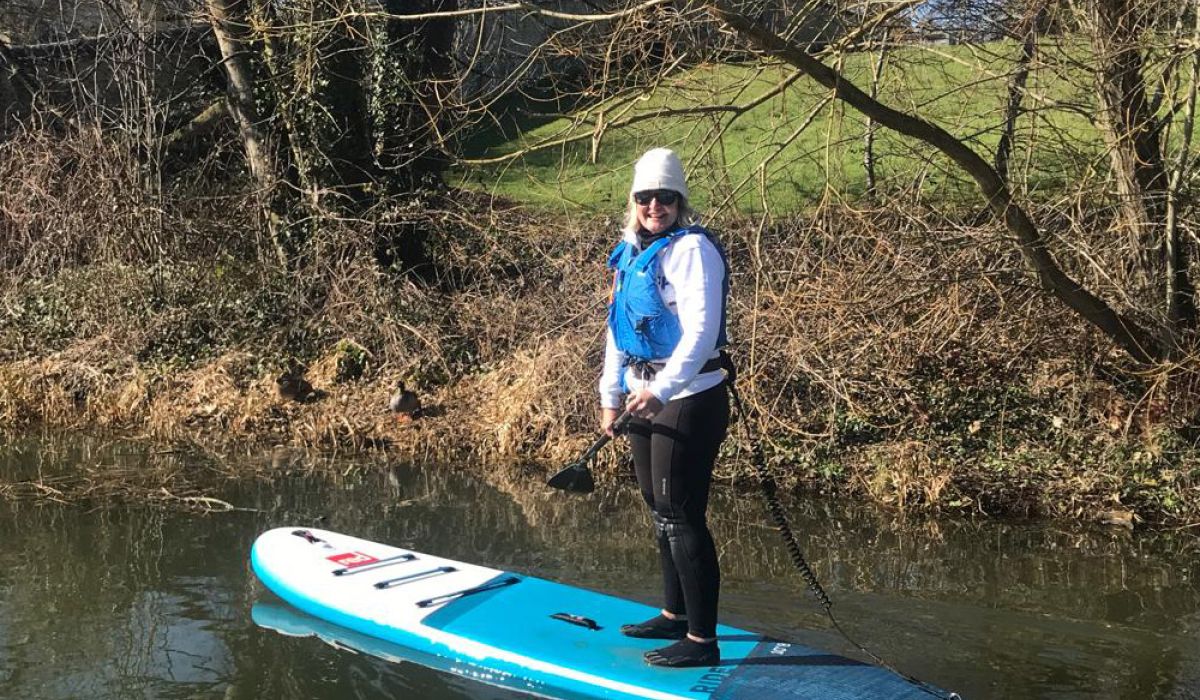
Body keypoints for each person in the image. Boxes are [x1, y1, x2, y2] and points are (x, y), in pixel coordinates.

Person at [599, 147, 731, 668]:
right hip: (642, 393)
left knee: (681, 513)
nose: (656, 205)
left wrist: (664, 389)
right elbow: (618, 331)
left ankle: (703, 641)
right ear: (634, 202)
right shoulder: (629, 251)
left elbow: (699, 332)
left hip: (690, 396)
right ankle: (674, 615)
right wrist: (611, 397)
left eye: (666, 197)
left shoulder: (692, 251)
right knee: (659, 510)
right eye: (646, 197)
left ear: (679, 201)